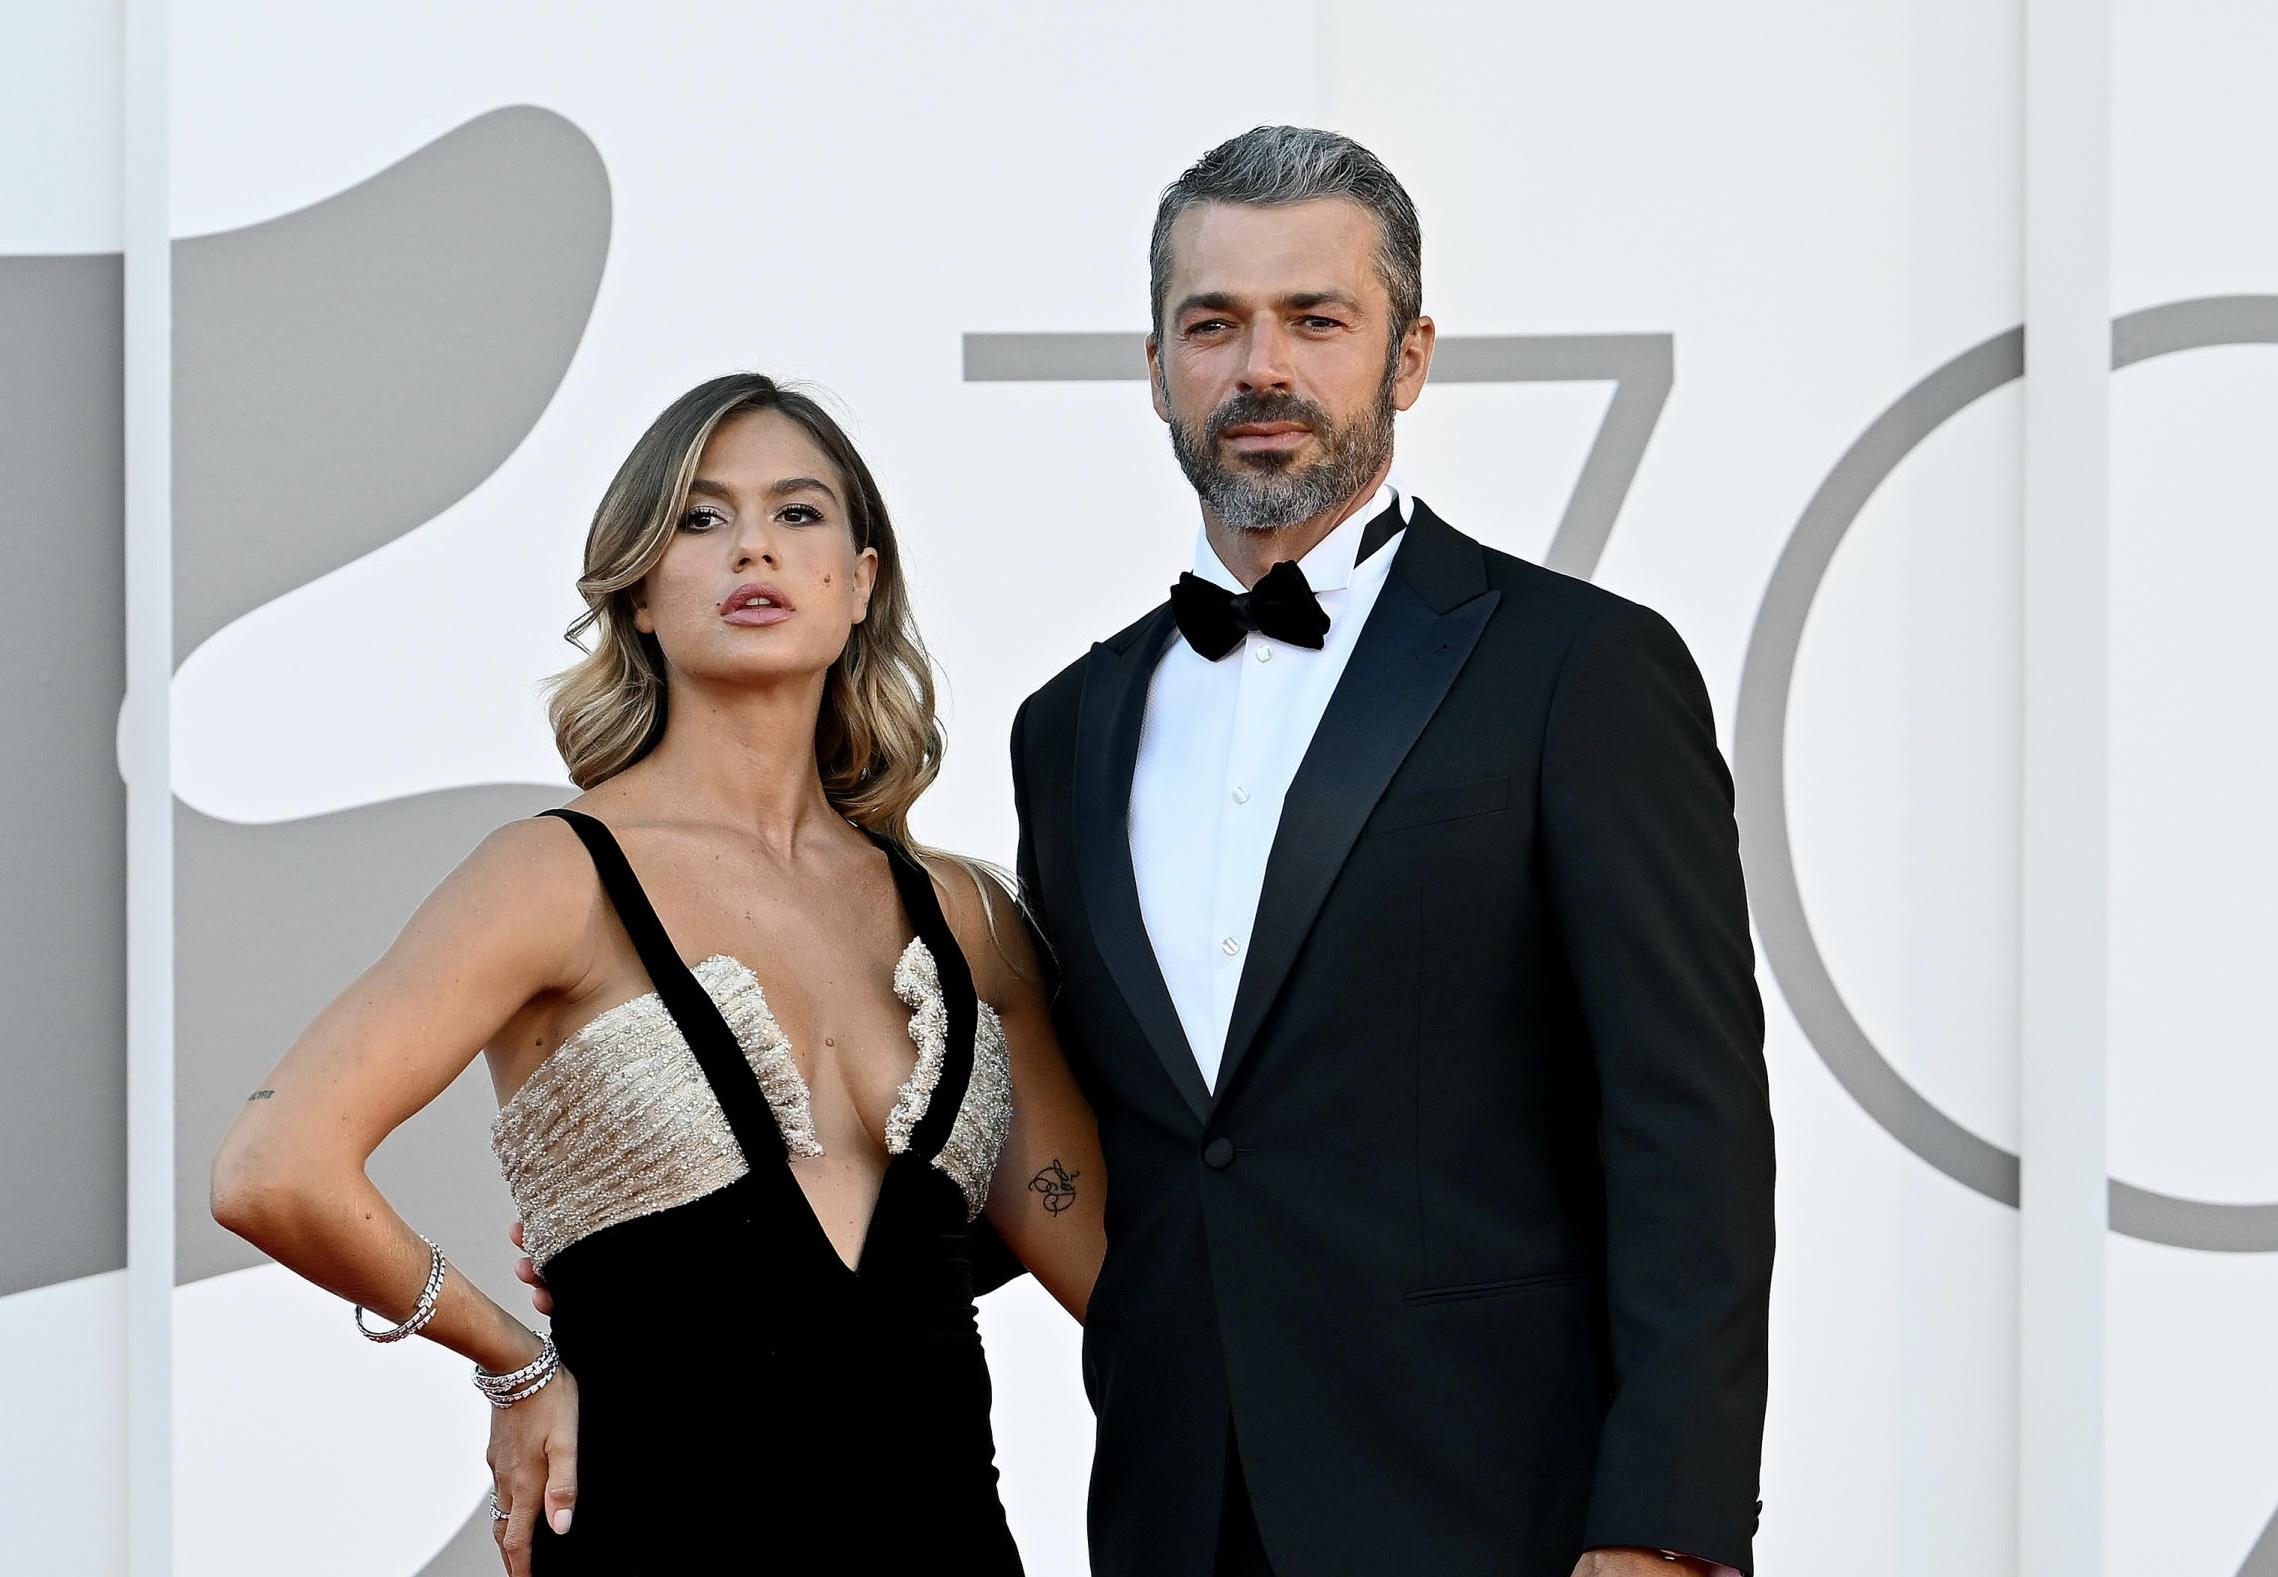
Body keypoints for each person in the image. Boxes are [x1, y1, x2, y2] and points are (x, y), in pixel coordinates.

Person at [1006, 127, 1776, 1576]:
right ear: (1156, 365)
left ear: (1407, 358)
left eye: (1316, 319)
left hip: (1492, 1507)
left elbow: (1688, 1128)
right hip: (1176, 1505)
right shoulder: (1070, 724)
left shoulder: (1577, 669)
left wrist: (1662, 1527)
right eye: (1213, 323)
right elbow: (1112, 1137)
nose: (1260, 370)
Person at [211, 373, 1106, 1576]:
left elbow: (1105, 1266)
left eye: (798, 513)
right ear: (637, 588)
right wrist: (514, 1359)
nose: (752, 545)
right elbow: (274, 1167)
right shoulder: (550, 876)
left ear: (861, 582)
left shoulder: (966, 916)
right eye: (699, 516)